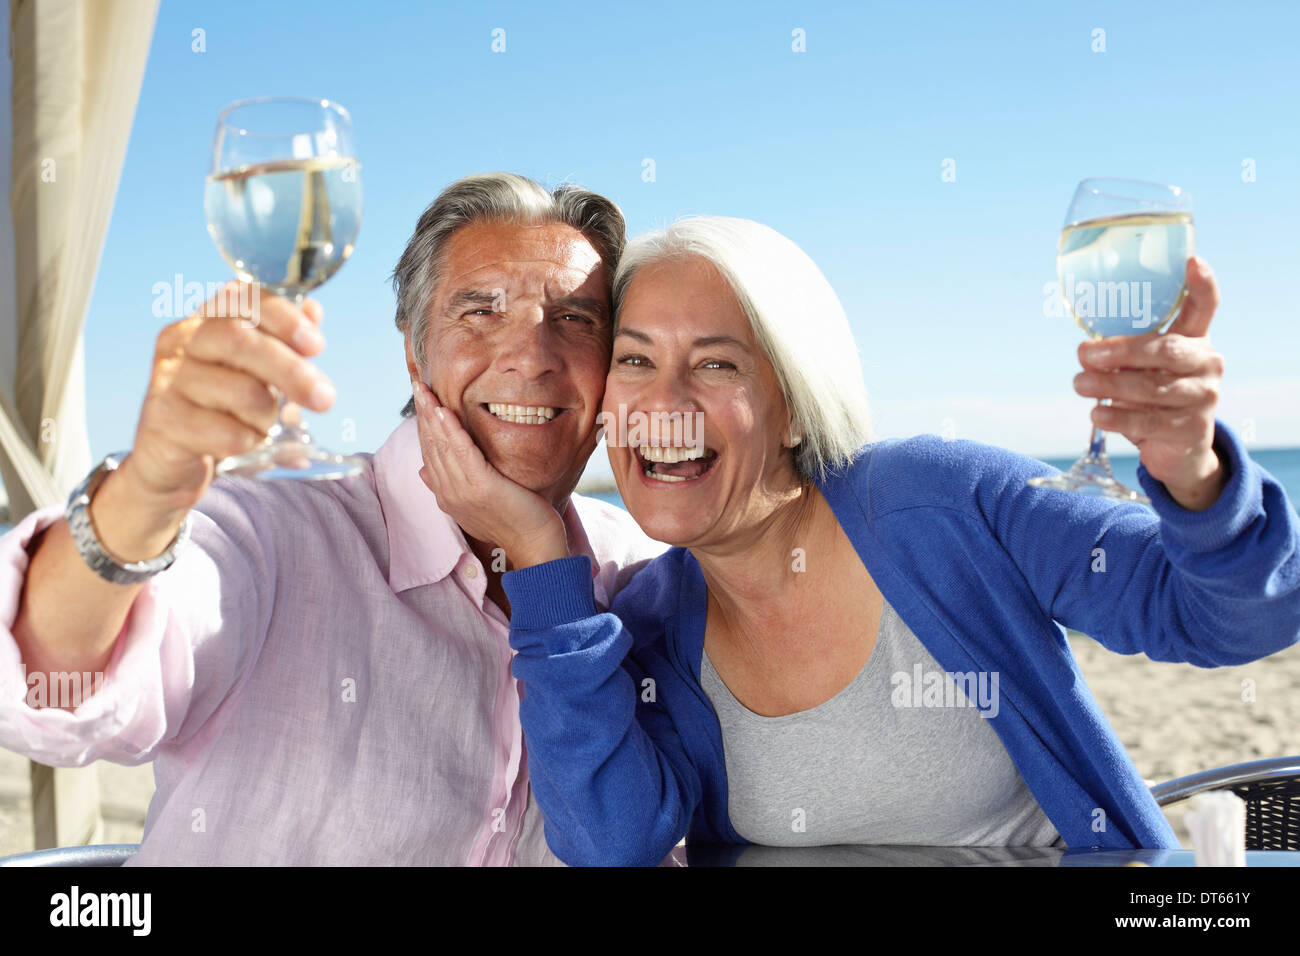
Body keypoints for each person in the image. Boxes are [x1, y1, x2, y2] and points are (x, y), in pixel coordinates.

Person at [416, 216, 1300, 866]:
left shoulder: (935, 503)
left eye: (718, 363)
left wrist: (1194, 479)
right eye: (637, 361)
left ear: (795, 399)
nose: (664, 403)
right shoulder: (647, 624)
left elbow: (1227, 623)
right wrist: (541, 557)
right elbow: (611, 841)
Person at [0, 172, 664, 865]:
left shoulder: (635, 570)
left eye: (576, 320)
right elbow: (52, 678)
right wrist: (145, 491)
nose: (532, 357)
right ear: (415, 352)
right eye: (482, 312)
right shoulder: (276, 528)